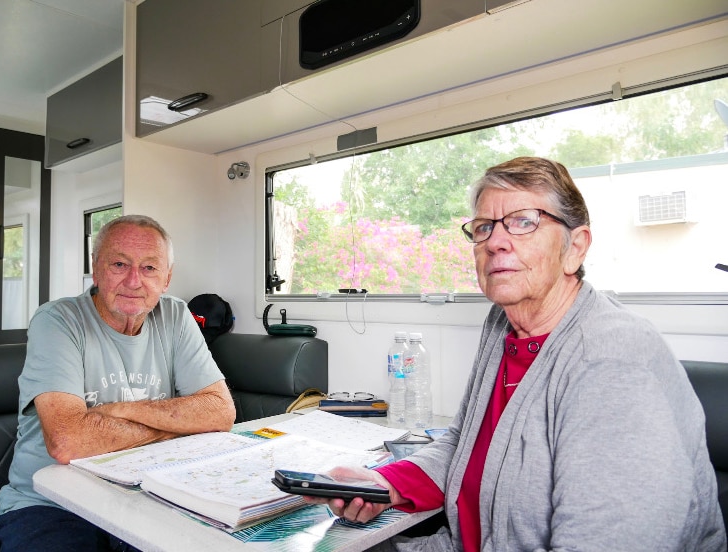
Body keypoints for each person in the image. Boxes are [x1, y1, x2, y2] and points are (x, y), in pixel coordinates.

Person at [305, 157, 726, 551]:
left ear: (576, 247)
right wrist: (383, 483)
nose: (496, 242)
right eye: (485, 226)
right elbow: (465, 443)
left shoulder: (613, 356)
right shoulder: (502, 322)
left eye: (524, 222)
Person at [0, 214, 236, 551]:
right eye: (120, 264)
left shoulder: (176, 315)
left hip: (145, 496)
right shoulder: (57, 320)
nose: (134, 281)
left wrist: (121, 411)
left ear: (167, 277)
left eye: (150, 268)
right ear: (96, 269)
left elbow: (220, 413)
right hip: (50, 504)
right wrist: (177, 425)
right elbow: (67, 442)